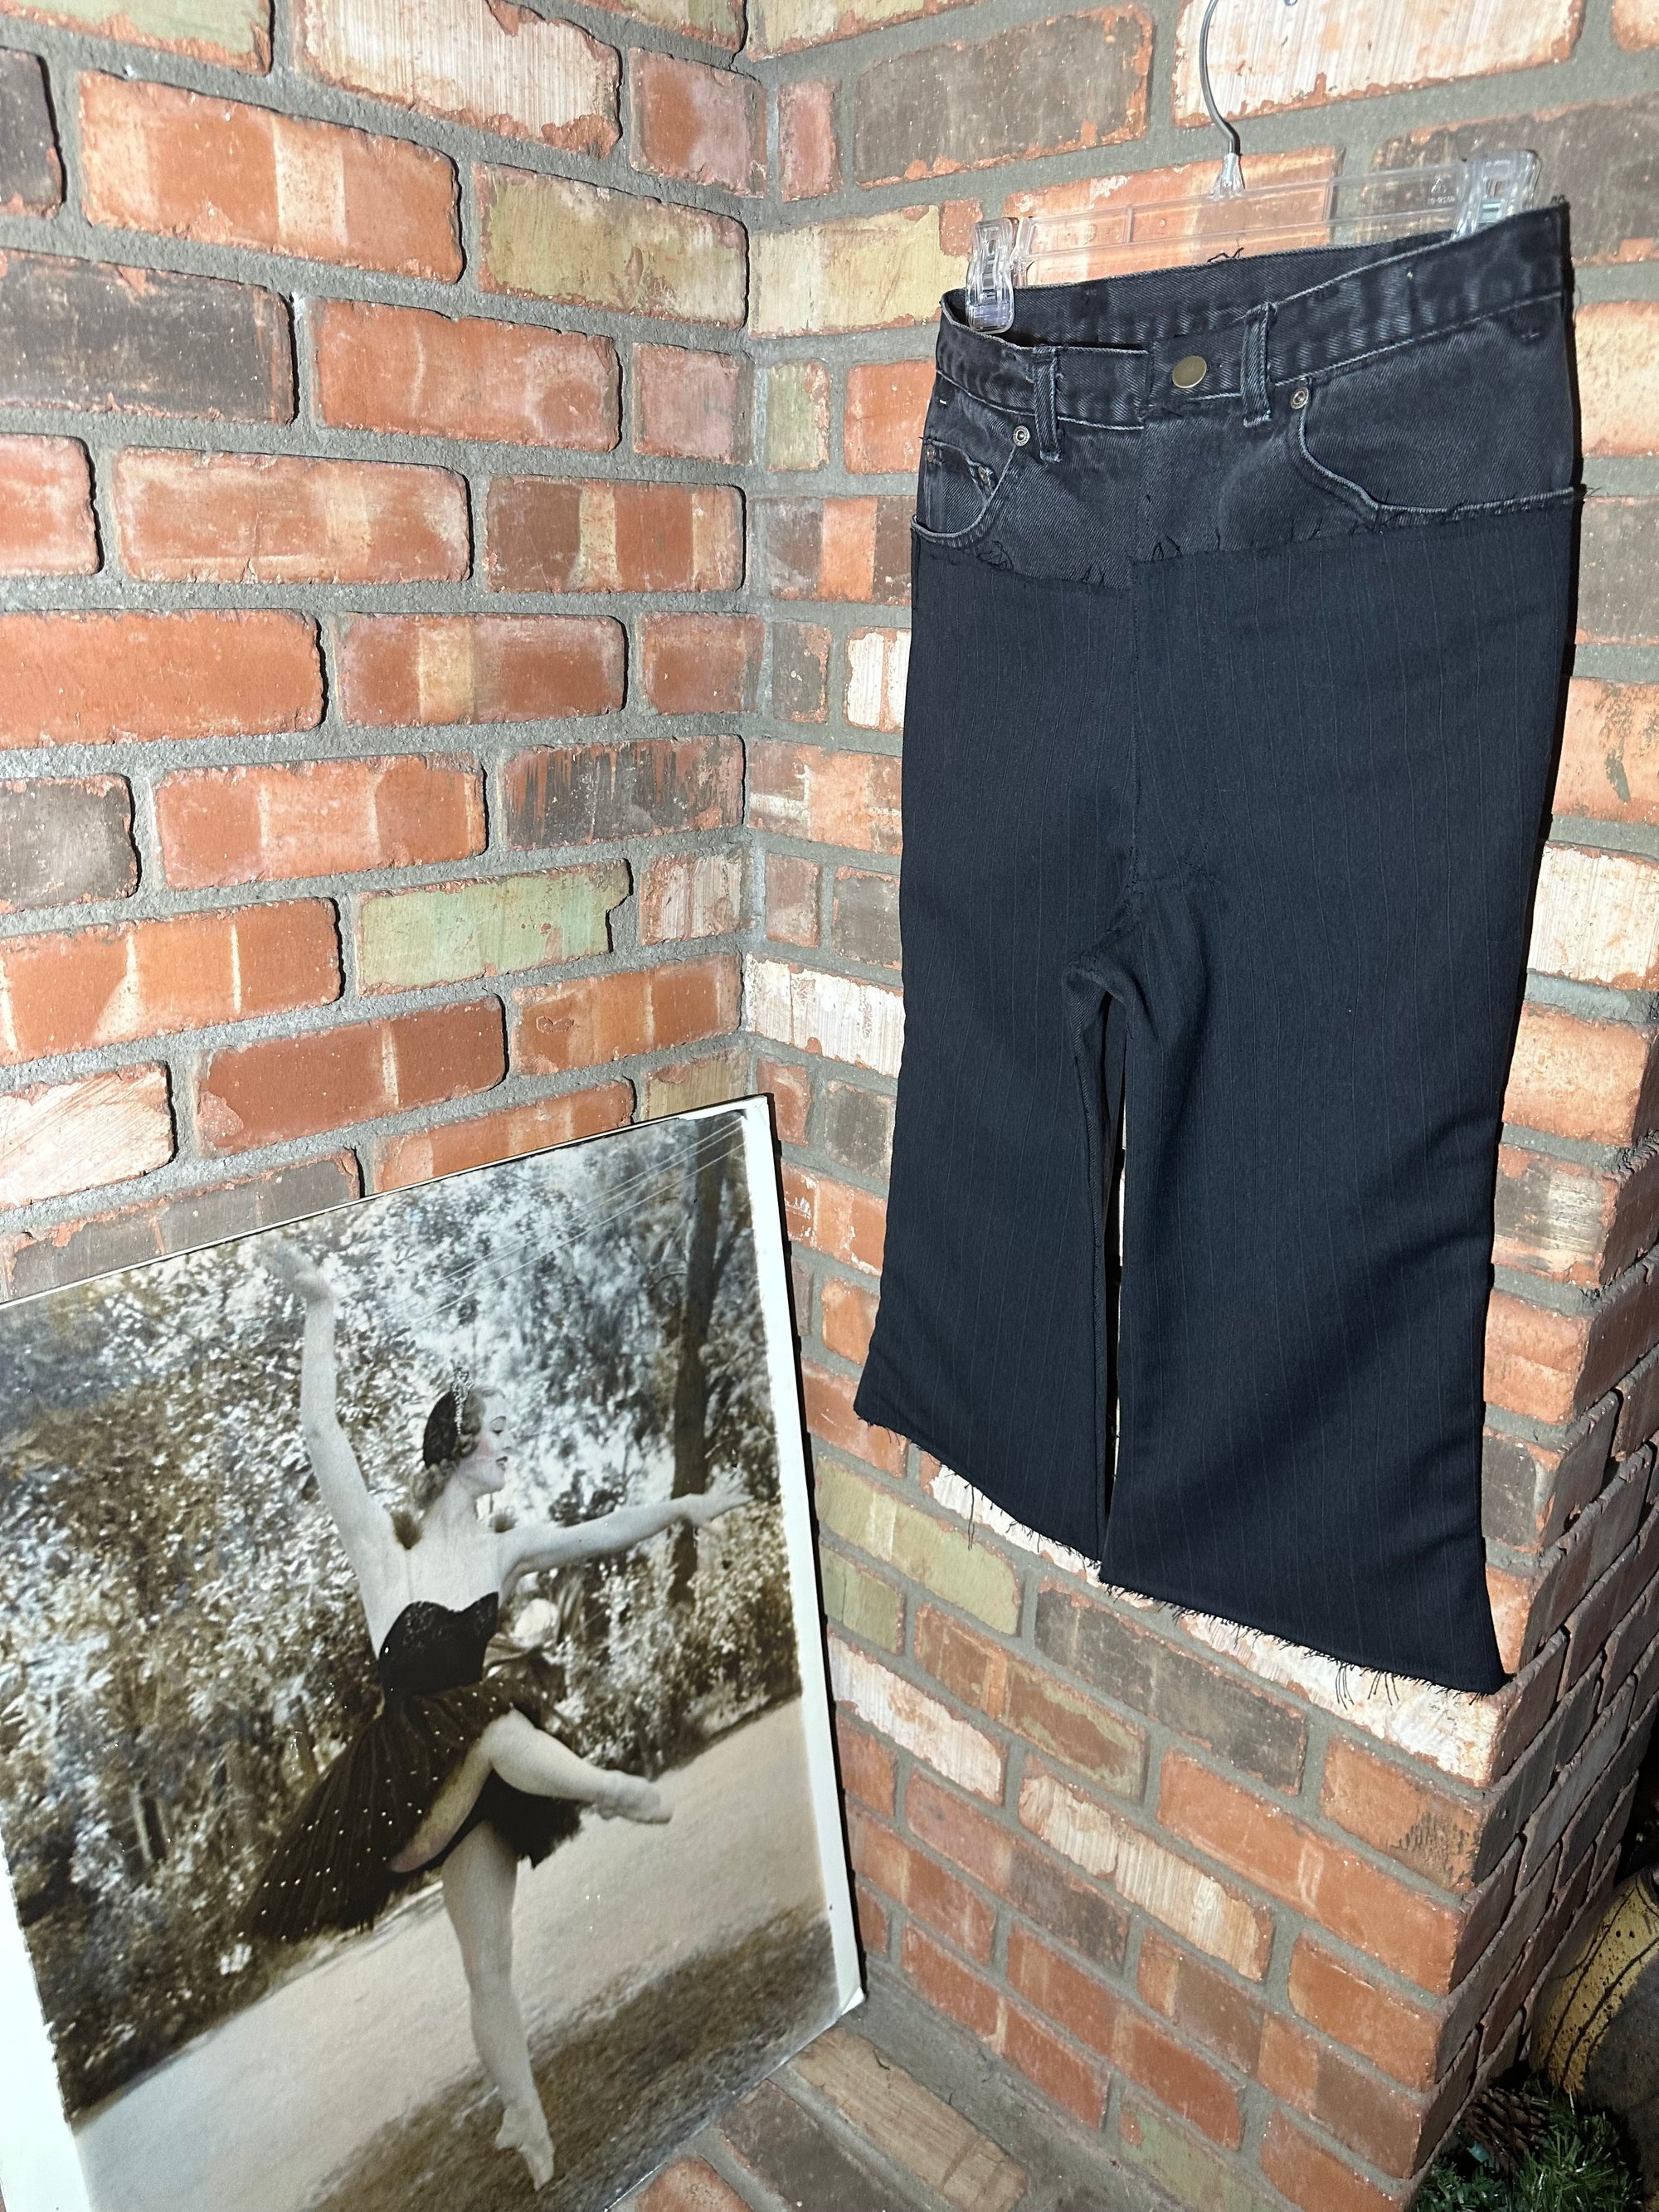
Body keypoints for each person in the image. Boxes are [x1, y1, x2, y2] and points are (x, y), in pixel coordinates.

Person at [243, 1238, 745, 2190]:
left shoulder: (502, 1552)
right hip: (403, 1799)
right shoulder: (383, 1550)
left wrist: (684, 1505)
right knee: (498, 1720)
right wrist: (319, 1309)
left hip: (476, 1793)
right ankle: (611, 1789)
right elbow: (321, 1436)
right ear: (458, 1448)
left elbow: (599, 1532)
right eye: (498, 1434)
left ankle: (525, 2117)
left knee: (489, 1965)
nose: (509, 1446)